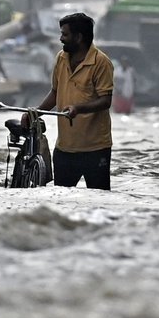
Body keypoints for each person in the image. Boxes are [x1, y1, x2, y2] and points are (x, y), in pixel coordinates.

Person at [27, 12, 114, 190]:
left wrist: (78, 109)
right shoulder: (61, 58)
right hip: (65, 148)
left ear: (79, 37)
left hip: (95, 149)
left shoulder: (101, 63)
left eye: (65, 35)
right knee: (61, 199)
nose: (61, 39)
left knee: (100, 200)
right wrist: (36, 113)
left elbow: (105, 101)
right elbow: (55, 92)